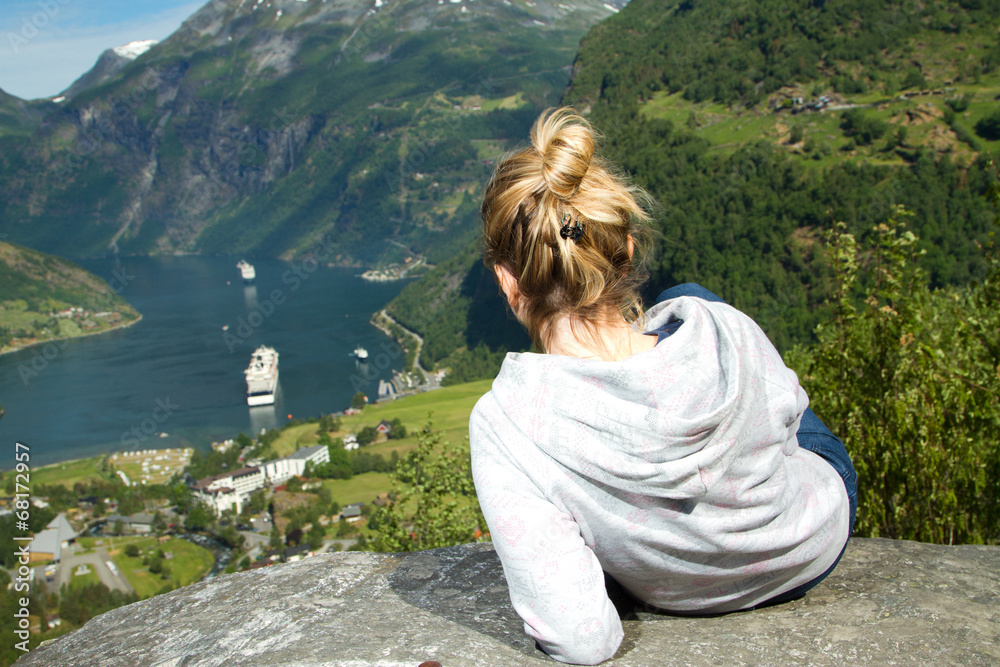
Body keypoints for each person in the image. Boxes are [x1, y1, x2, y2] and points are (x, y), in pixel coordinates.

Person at [469, 108, 857, 665]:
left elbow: (582, 639)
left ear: (508, 282)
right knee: (696, 298)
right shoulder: (724, 328)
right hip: (810, 545)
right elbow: (788, 419)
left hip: (677, 593)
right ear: (625, 249)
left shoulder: (507, 425)